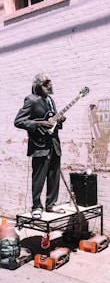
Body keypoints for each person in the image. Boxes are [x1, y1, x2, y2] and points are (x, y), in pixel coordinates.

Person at [14, 72, 66, 219]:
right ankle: (36, 206)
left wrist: (59, 120)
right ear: (38, 85)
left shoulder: (50, 100)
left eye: (50, 82)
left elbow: (52, 122)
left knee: (54, 176)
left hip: (54, 144)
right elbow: (18, 121)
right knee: (38, 177)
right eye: (46, 82)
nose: (50, 84)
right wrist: (38, 124)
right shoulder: (31, 100)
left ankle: (51, 204)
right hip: (39, 146)